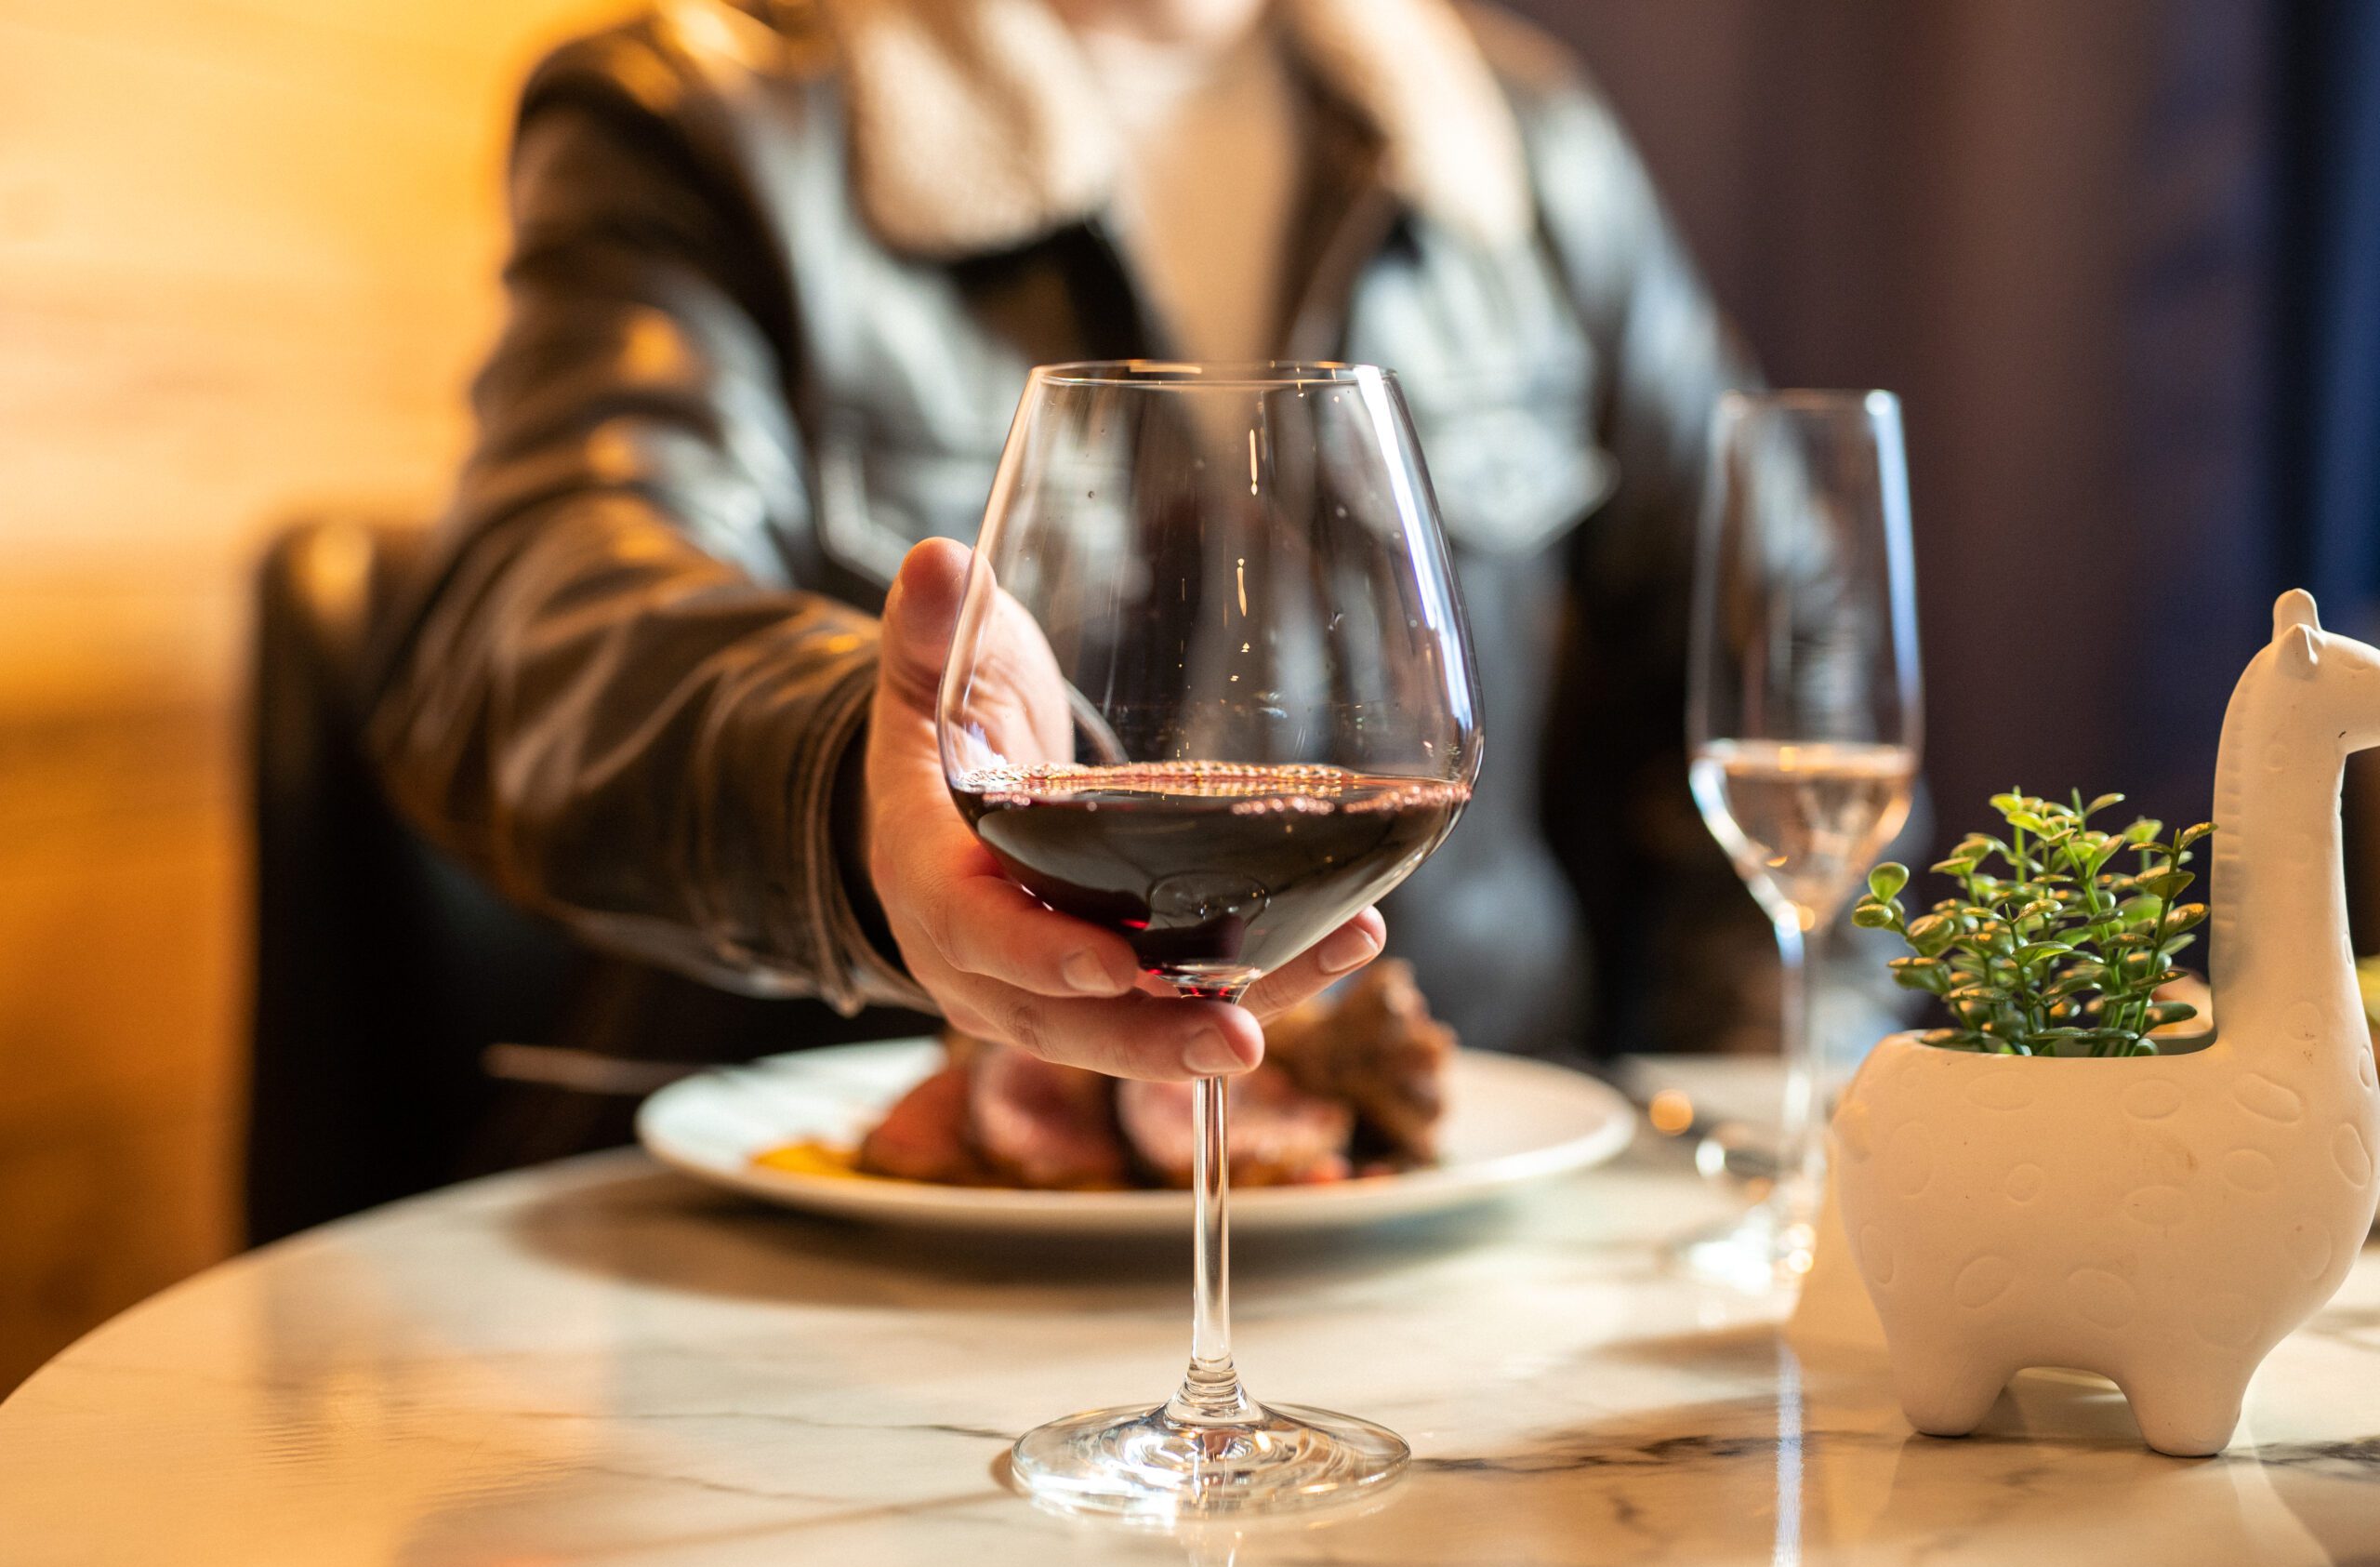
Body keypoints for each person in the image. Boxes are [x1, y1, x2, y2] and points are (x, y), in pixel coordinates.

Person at [367, 0, 1758, 1089]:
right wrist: (843, 781)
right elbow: (527, 622)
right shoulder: (704, 110)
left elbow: (1774, 656)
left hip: (1457, 1207)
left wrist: (1735, 1147)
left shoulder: (1527, 143)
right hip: (871, 1255)